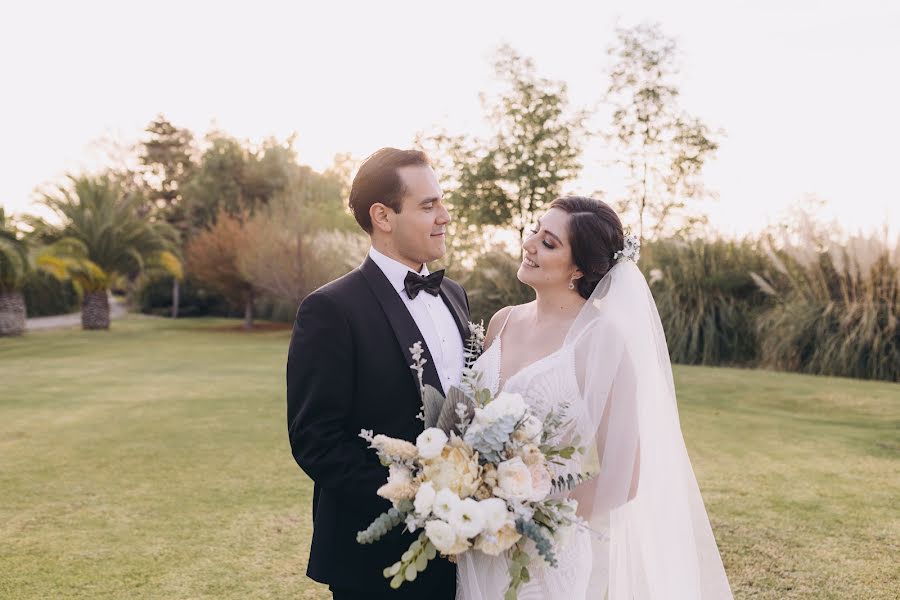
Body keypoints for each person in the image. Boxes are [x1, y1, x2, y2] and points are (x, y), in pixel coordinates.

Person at [457, 196, 733, 599]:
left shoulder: (601, 341)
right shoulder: (502, 321)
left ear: (579, 268)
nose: (529, 244)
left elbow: (623, 478)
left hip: (540, 553)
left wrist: (526, 518)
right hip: (472, 542)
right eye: (535, 230)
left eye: (549, 242)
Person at [287, 148, 469, 600]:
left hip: (463, 551)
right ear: (383, 216)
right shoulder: (331, 309)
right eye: (428, 206)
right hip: (373, 561)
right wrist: (413, 498)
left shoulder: (455, 296)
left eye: (442, 202)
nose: (444, 216)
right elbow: (316, 439)